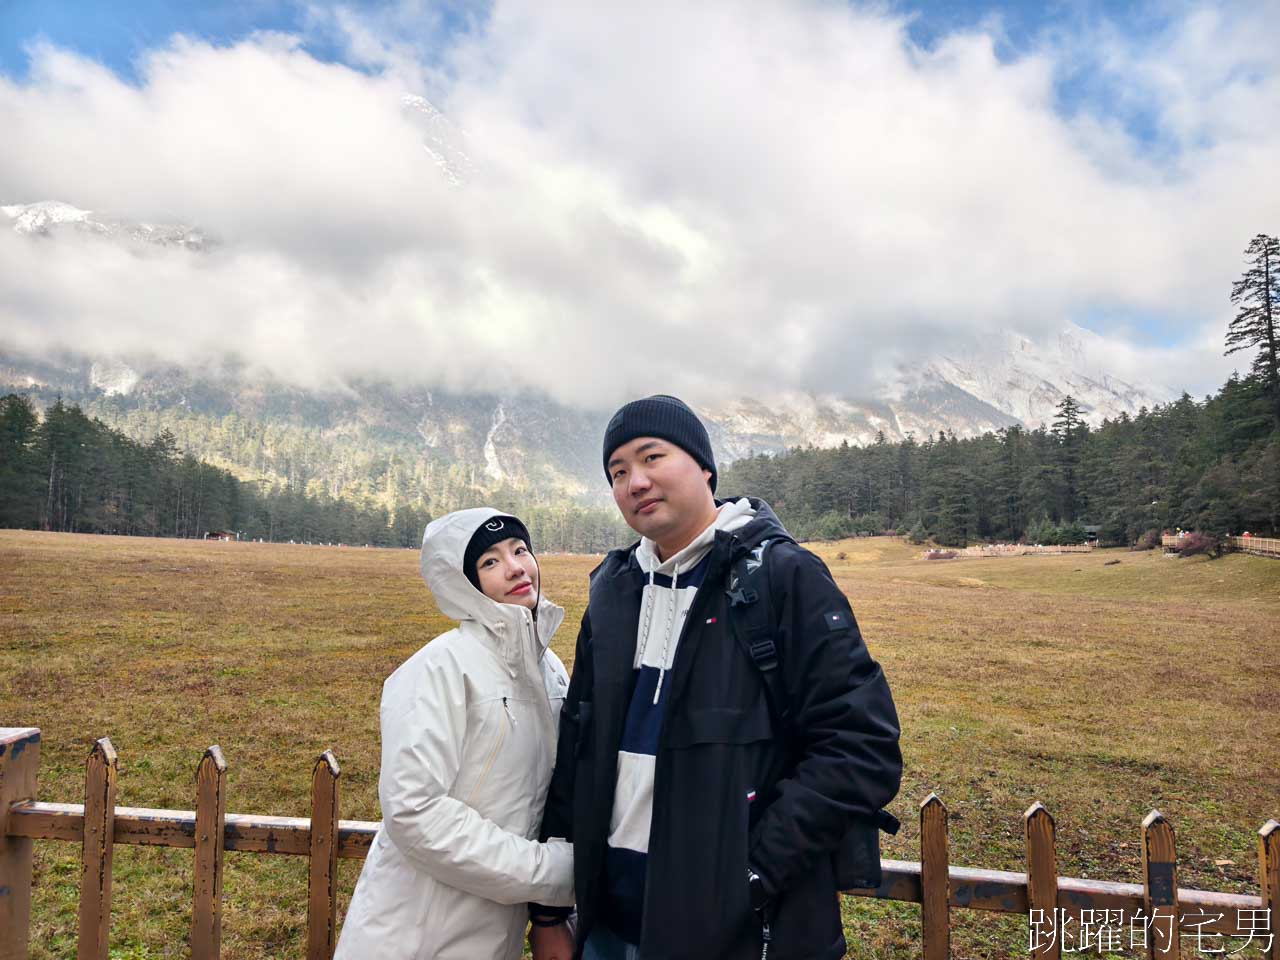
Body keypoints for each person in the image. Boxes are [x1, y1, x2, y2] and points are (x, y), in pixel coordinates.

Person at [530, 395, 902, 960]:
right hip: (607, 929)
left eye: (652, 457)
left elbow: (861, 747)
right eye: (618, 471)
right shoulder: (612, 591)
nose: (635, 482)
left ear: (704, 466)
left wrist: (749, 876)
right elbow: (577, 745)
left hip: (737, 935)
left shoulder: (781, 576)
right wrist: (552, 909)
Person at [335, 508, 575, 960]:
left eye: (520, 550)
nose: (516, 566)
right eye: (490, 561)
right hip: (413, 936)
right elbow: (415, 811)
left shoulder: (550, 671)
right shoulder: (439, 668)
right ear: (465, 584)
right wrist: (550, 873)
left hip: (492, 932)